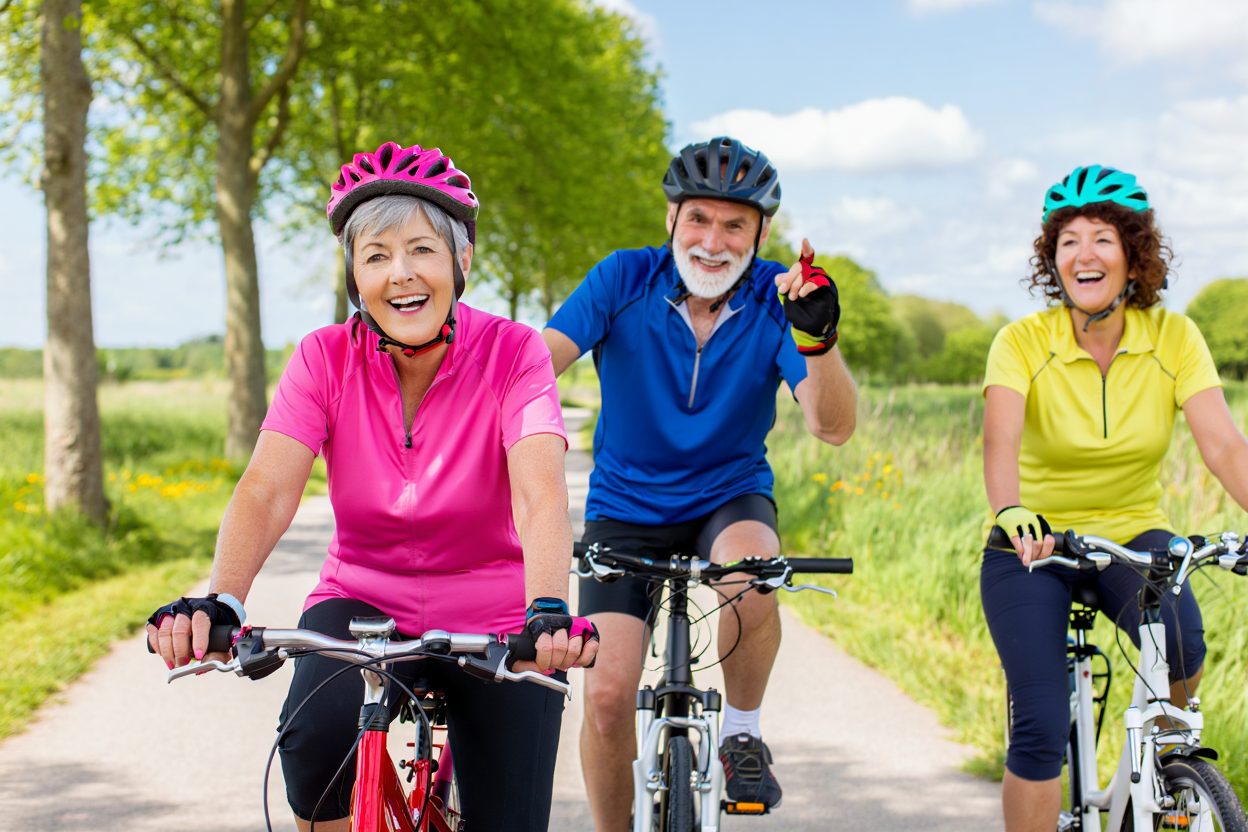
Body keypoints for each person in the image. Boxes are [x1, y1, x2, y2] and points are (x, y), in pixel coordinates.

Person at [146, 141, 599, 832]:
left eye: (421, 249)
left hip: (497, 609)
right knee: (309, 751)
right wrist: (222, 598)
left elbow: (540, 492)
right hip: (361, 601)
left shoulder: (515, 352)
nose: (401, 274)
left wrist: (547, 608)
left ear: (462, 261)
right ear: (355, 275)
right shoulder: (322, 358)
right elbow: (268, 487)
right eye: (376, 255)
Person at [542, 136, 858, 830]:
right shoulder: (622, 278)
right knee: (605, 698)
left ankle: (742, 733)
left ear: (761, 232)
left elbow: (832, 427)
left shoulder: (781, 298)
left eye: (735, 224)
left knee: (750, 577)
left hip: (729, 496)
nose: (714, 242)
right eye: (699, 221)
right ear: (672, 220)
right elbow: (535, 370)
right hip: (624, 507)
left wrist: (820, 341)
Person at [981, 164, 1248, 832]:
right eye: (1067, 240)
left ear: (1133, 254)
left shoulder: (1174, 338)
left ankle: (1156, 770)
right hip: (1033, 544)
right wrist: (1012, 510)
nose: (1083, 253)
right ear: (1053, 259)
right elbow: (1000, 444)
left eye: (1101, 237)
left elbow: (1224, 447)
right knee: (1039, 728)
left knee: (1182, 648)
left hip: (1134, 535)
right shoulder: (1022, 342)